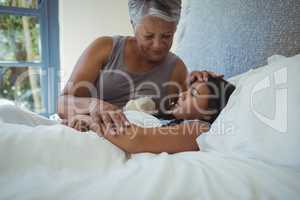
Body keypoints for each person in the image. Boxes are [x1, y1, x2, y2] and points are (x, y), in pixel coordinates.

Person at [57, 0, 222, 135]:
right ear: (133, 25)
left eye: (167, 36)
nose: (158, 46)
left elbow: (189, 112)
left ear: (175, 29)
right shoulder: (104, 47)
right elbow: (62, 103)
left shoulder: (176, 68)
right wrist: (94, 105)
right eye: (148, 36)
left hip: (128, 141)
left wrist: (205, 81)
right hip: (82, 130)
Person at [68, 77, 236, 154]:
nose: (183, 94)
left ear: (210, 112)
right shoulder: (173, 120)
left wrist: (89, 121)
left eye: (193, 94)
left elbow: (136, 139)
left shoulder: (200, 128)